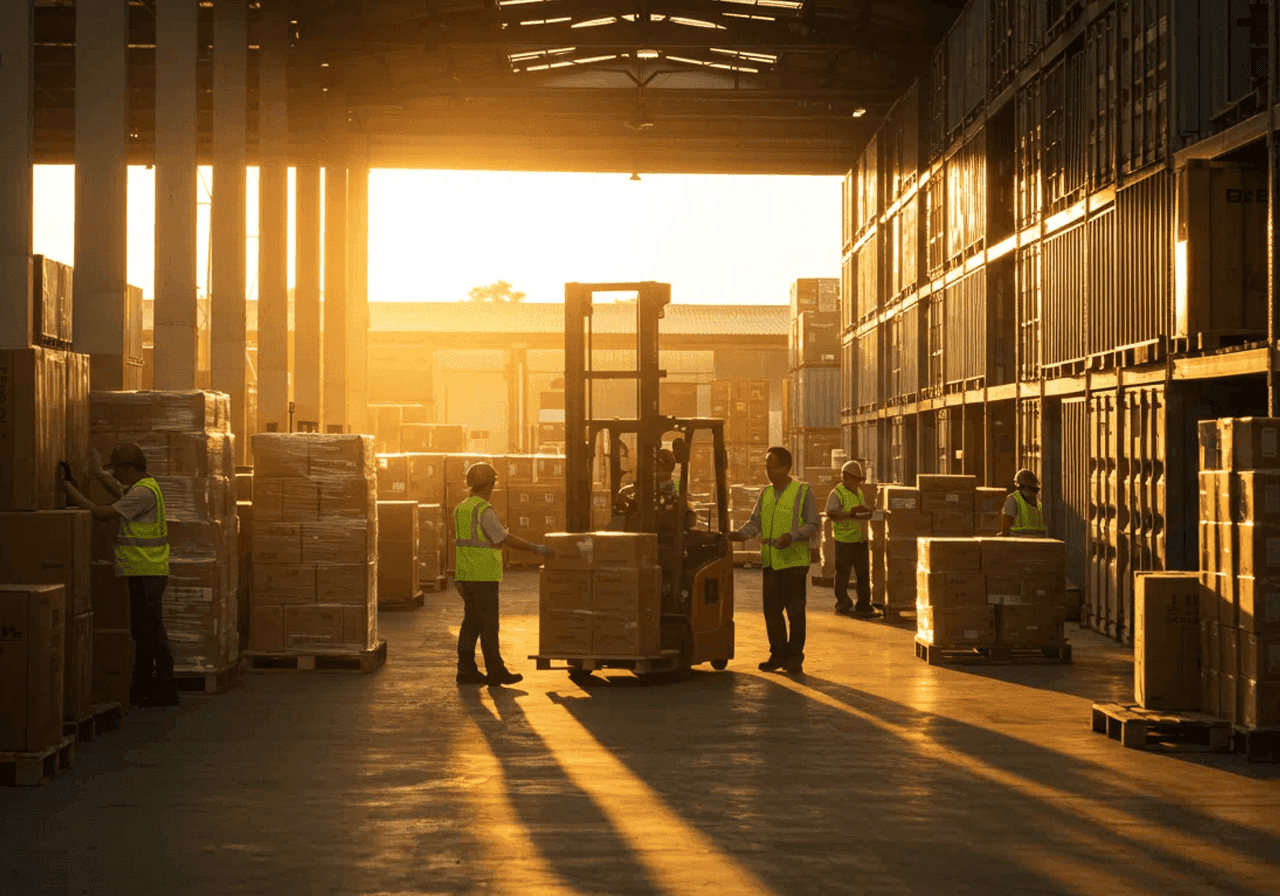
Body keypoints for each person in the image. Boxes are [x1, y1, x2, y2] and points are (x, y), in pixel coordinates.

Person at [61, 442, 179, 707]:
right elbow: (120, 491)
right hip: (143, 570)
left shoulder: (143, 493)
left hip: (147, 570)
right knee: (143, 630)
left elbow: (103, 513)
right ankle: (145, 687)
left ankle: (165, 688)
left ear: (129, 468)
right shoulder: (145, 487)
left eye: (118, 471)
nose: (117, 476)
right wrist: (100, 473)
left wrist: (71, 491)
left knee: (151, 631)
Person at [454, 461, 556, 686]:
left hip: (465, 574)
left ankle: (466, 669)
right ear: (487, 485)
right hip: (483, 576)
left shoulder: (462, 508)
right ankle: (495, 671)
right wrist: (535, 548)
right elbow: (502, 538)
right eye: (493, 485)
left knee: (471, 622)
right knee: (489, 625)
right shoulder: (484, 510)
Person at [727, 446, 819, 674]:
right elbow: (755, 522)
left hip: (794, 563)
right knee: (772, 612)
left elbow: (812, 523)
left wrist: (793, 536)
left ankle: (794, 657)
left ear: (786, 467)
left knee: (795, 613)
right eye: (766, 465)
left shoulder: (801, 491)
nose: (768, 470)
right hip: (771, 563)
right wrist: (738, 535)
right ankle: (778, 654)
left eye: (773, 465)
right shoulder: (766, 494)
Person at [826, 460, 877, 618]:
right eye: (856, 479)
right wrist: (850, 514)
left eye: (859, 480)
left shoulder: (858, 492)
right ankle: (842, 603)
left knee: (863, 573)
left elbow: (857, 512)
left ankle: (863, 604)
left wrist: (866, 512)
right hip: (844, 541)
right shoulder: (837, 493)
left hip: (860, 539)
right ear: (846, 477)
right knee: (843, 573)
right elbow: (831, 513)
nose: (858, 483)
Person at [1001, 469, 1048, 537]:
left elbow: (1006, 526)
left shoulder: (1014, 500)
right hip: (1029, 544)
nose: (1034, 493)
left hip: (1025, 544)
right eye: (1031, 489)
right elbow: (1006, 525)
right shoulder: (1014, 500)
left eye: (1035, 490)